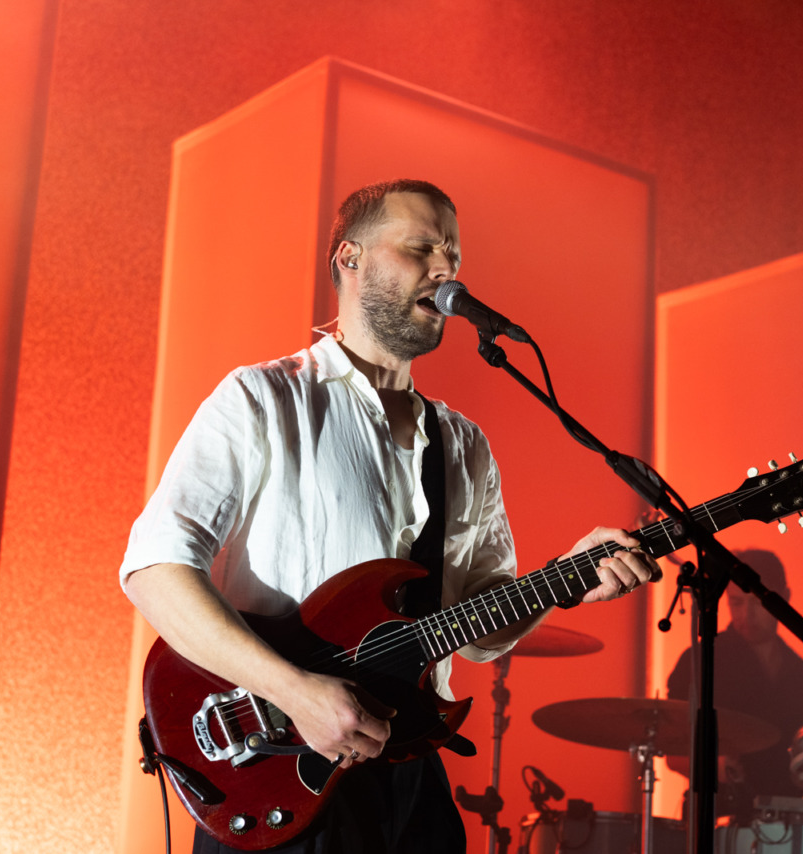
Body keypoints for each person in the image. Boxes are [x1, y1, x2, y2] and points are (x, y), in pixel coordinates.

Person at [120, 178, 659, 854]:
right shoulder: (264, 399)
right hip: (276, 764)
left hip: (407, 775)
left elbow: (477, 630)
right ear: (351, 259)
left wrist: (566, 579)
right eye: (421, 249)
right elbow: (153, 567)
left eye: (453, 257)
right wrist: (295, 693)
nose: (446, 271)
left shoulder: (462, 444)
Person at [665, 549, 803, 818]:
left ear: (785, 598)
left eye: (758, 603)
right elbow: (672, 751)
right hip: (716, 816)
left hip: (786, 815)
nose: (746, 615)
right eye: (736, 603)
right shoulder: (700, 659)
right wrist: (717, 766)